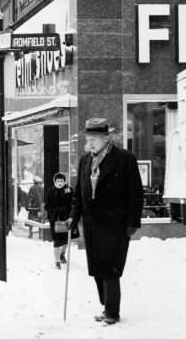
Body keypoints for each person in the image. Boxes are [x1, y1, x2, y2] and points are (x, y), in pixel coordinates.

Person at [69, 118, 143, 326]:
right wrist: (73, 218)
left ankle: (112, 310)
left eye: (95, 138)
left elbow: (135, 193)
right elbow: (78, 194)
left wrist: (132, 222)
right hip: (92, 224)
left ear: (106, 138)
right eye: (88, 138)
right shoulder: (85, 160)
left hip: (115, 224)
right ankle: (106, 305)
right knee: (97, 268)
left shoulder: (124, 159)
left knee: (111, 268)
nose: (91, 142)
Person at [45, 172, 76, 269]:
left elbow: (73, 202)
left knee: (66, 240)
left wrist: (69, 213)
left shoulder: (68, 190)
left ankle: (62, 253)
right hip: (55, 219)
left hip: (66, 219)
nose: (59, 183)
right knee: (57, 241)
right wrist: (52, 213)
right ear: (55, 181)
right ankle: (57, 261)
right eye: (58, 181)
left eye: (61, 181)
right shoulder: (50, 191)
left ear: (64, 181)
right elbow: (47, 205)